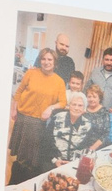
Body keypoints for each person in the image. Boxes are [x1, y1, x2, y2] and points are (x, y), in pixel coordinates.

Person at [7, 49, 69, 183]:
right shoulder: (31, 73)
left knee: (32, 155)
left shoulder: (59, 81)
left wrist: (51, 107)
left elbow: (63, 102)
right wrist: (14, 109)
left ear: (55, 62)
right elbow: (19, 92)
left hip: (38, 121)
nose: (46, 62)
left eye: (49, 59)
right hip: (23, 117)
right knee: (21, 153)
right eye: (43, 59)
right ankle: (17, 176)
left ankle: (24, 178)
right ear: (40, 60)